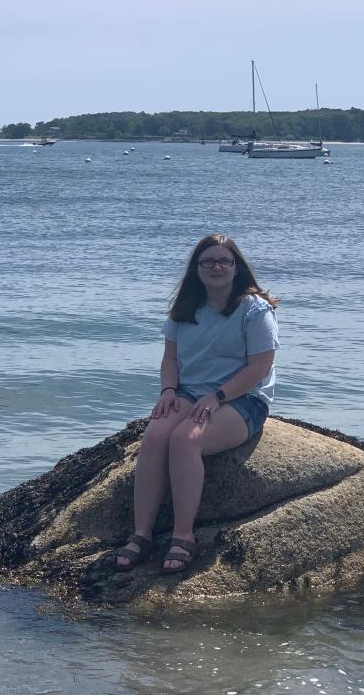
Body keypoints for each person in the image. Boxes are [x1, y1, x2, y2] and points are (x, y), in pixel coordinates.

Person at [115, 234, 279, 574]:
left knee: (185, 439)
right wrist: (168, 391)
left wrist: (217, 397)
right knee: (155, 436)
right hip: (189, 392)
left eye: (224, 261)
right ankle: (141, 533)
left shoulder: (254, 309)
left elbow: (259, 367)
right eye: (208, 261)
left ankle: (183, 535)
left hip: (242, 399)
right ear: (196, 269)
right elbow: (170, 359)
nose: (216, 267)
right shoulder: (185, 309)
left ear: (236, 268)